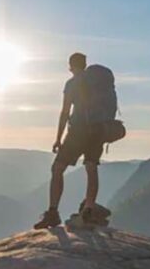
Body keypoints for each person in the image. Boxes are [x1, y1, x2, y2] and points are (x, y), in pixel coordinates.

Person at [34, 52, 111, 229]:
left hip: (78, 131)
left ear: (70, 66)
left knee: (57, 168)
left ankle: (53, 213)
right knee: (91, 168)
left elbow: (65, 112)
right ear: (85, 64)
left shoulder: (72, 84)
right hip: (99, 129)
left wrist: (58, 139)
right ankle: (89, 210)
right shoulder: (98, 83)